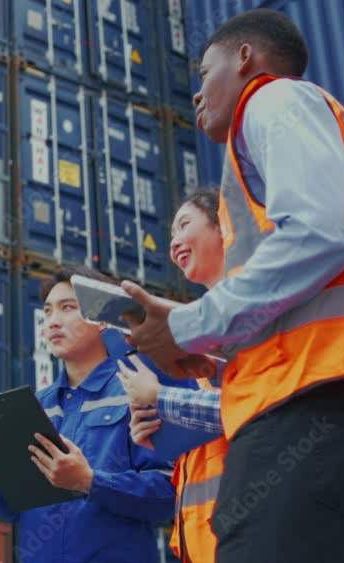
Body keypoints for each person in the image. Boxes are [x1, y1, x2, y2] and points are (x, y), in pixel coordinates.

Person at [121, 10, 344, 563]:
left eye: (203, 71)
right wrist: (212, 353)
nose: (195, 94)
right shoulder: (296, 124)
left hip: (309, 417)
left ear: (244, 59)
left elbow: (325, 231)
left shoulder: (273, 101)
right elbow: (316, 296)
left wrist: (189, 325)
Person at [0, 269, 176, 563]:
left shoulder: (137, 390)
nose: (53, 321)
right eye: (47, 312)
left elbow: (167, 495)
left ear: (103, 321)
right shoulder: (34, 405)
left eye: (68, 308)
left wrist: (89, 482)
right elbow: (11, 511)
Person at [118, 190, 228, 563]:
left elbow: (254, 403)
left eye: (185, 225)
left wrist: (159, 397)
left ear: (222, 224)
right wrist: (156, 434)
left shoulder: (249, 315)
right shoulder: (202, 333)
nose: (175, 242)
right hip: (204, 544)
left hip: (252, 531)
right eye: (170, 237)